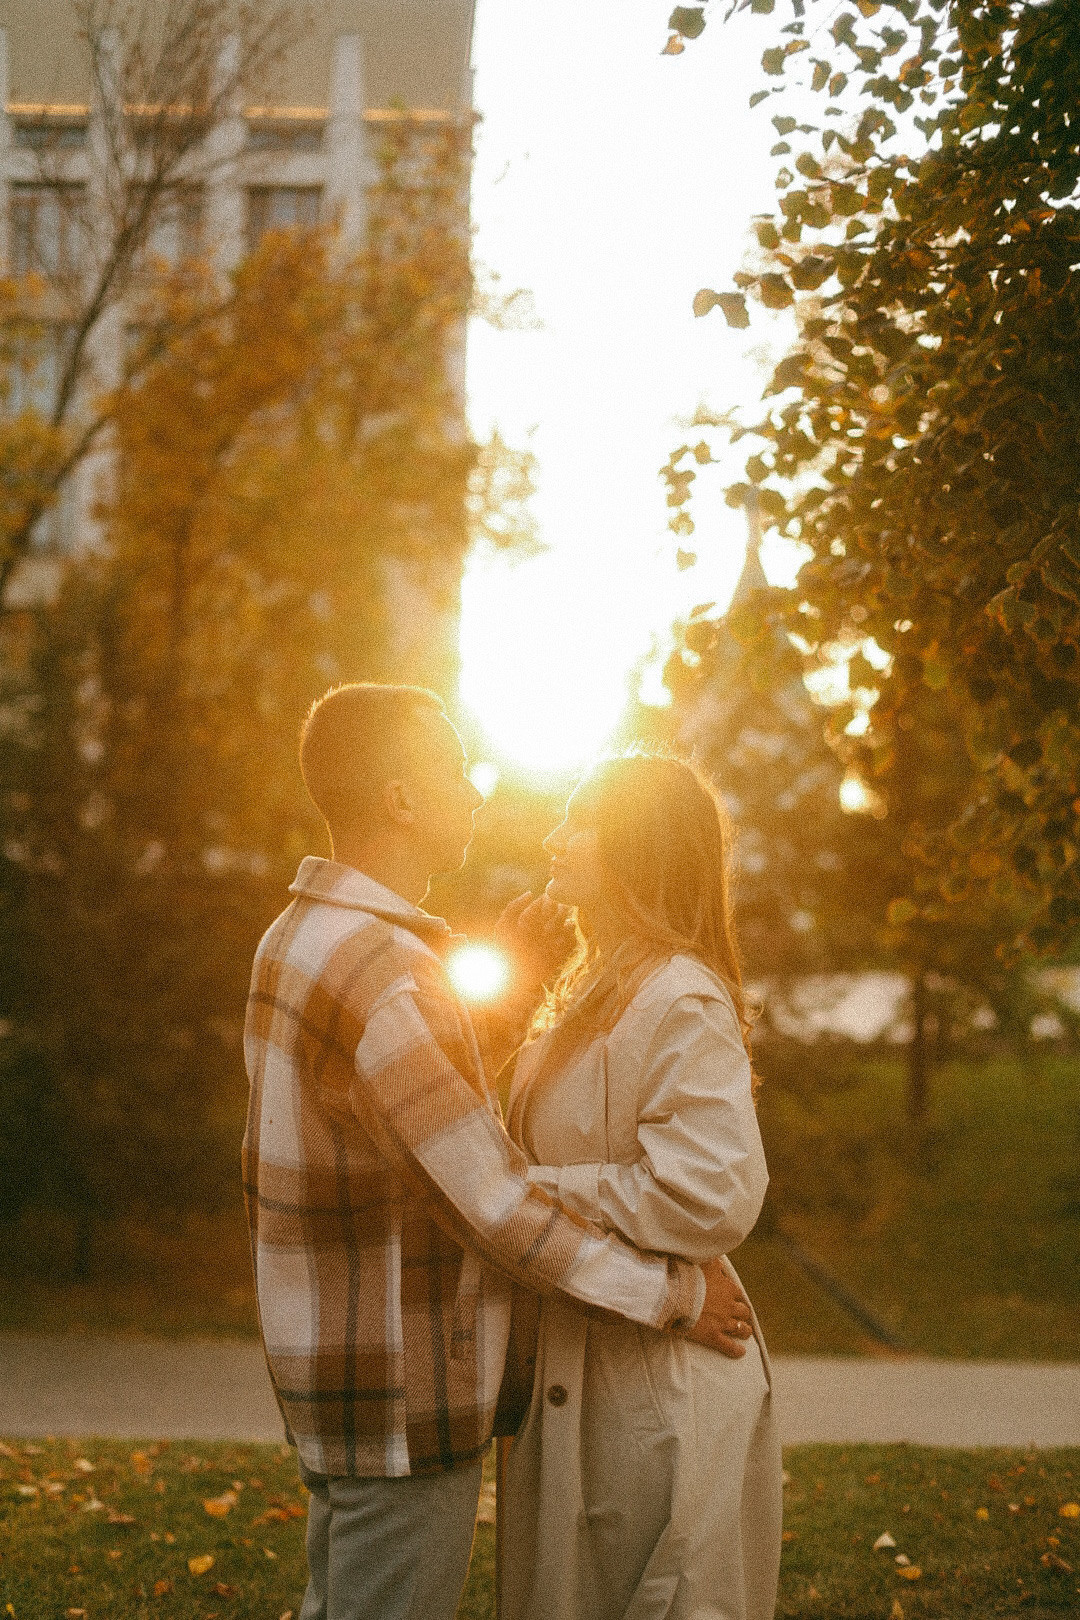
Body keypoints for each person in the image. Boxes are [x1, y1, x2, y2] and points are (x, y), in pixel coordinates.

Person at [241, 683, 754, 1620]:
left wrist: (505, 1019)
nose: (476, 790)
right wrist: (675, 1294)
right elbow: (490, 1203)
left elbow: (396, 1126)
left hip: (337, 1376)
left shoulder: (299, 937)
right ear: (401, 800)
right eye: (453, 767)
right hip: (402, 1387)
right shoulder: (387, 972)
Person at [501, 752, 783, 1620]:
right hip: (588, 1355)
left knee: (665, 1600)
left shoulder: (678, 998)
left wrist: (529, 1191)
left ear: (636, 847)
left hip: (659, 1388)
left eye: (578, 820)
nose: (553, 836)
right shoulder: (591, 988)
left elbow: (711, 1194)